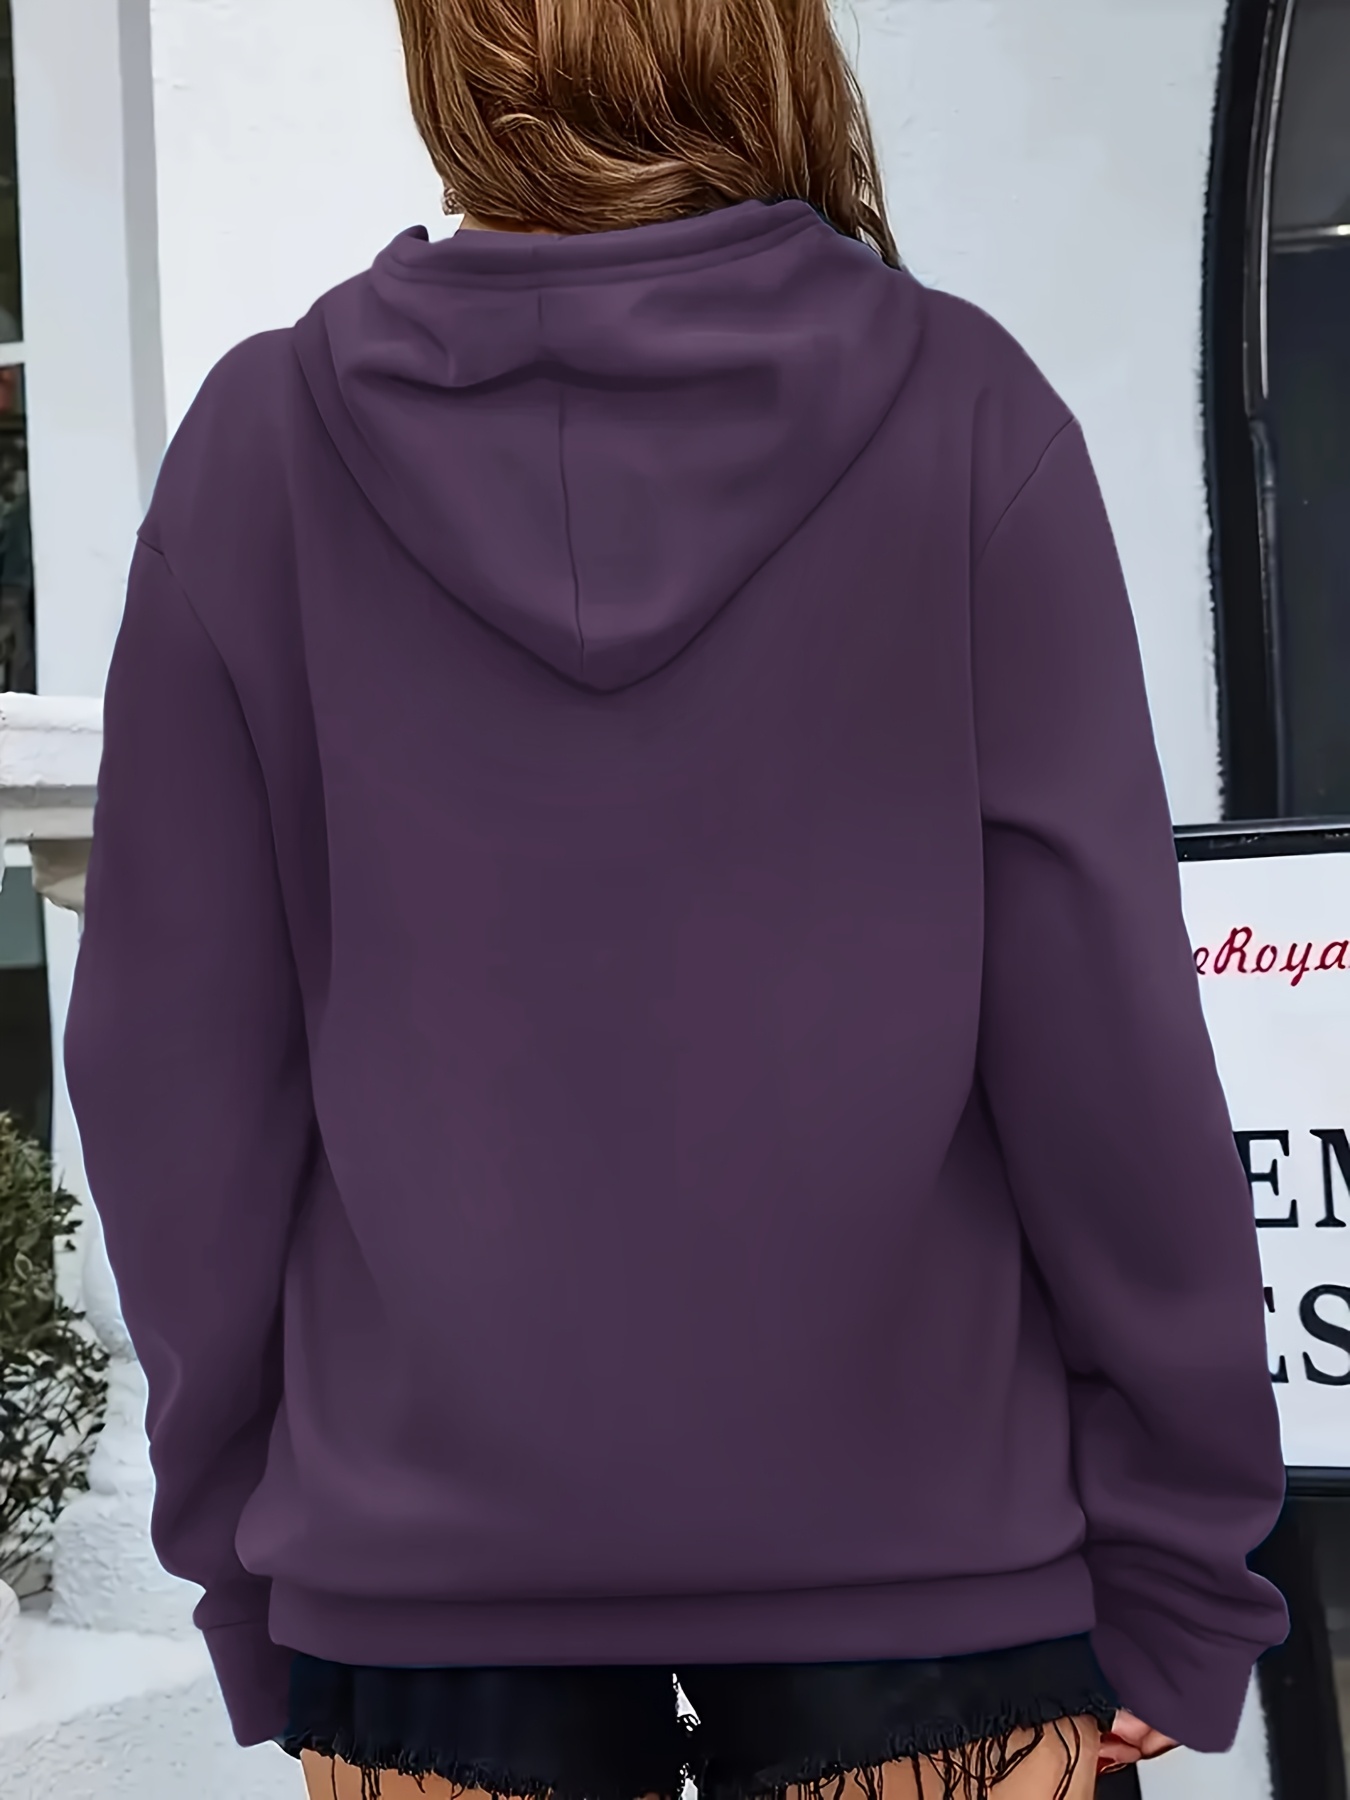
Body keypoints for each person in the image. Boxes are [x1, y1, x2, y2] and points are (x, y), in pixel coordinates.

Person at [63, 1, 1289, 1795]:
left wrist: (255, 1558)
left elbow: (172, 1085)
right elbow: (1103, 1045)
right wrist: (1181, 1559)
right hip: (927, 1582)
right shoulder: (960, 411)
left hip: (425, 1602)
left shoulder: (262, 449)